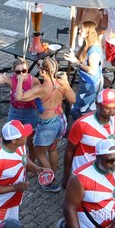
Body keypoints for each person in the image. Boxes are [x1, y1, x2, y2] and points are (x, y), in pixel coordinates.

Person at [10, 57, 75, 192]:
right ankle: (53, 173)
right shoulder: (61, 84)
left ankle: (51, 182)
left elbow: (19, 97)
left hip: (47, 124)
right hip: (61, 120)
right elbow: (73, 99)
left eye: (40, 69)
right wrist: (66, 84)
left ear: (43, 72)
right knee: (52, 148)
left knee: (39, 153)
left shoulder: (41, 88)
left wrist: (20, 80)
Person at [0, 121, 42, 228]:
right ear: (14, 140)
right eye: (24, 135)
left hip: (13, 198)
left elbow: (23, 158)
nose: (27, 135)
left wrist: (35, 167)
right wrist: (16, 187)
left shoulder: (19, 144)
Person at [61, 88, 115, 189]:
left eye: (114, 107)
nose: (111, 111)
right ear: (97, 104)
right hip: (83, 170)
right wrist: (66, 176)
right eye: (107, 107)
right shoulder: (81, 124)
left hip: (106, 171)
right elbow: (69, 151)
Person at [0, 57, 40, 162]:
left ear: (28, 70)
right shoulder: (10, 79)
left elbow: (41, 96)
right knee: (10, 139)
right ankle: (12, 161)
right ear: (14, 71)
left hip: (30, 112)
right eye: (18, 71)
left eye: (24, 71)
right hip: (15, 111)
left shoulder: (34, 81)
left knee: (30, 142)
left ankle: (31, 163)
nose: (21, 74)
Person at [63, 21, 103, 119]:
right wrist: (74, 57)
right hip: (85, 83)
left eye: (81, 29)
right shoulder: (86, 44)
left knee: (78, 110)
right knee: (84, 108)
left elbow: (92, 71)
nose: (79, 31)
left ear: (88, 33)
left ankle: (82, 129)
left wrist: (76, 61)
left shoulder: (93, 50)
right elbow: (81, 60)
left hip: (90, 85)